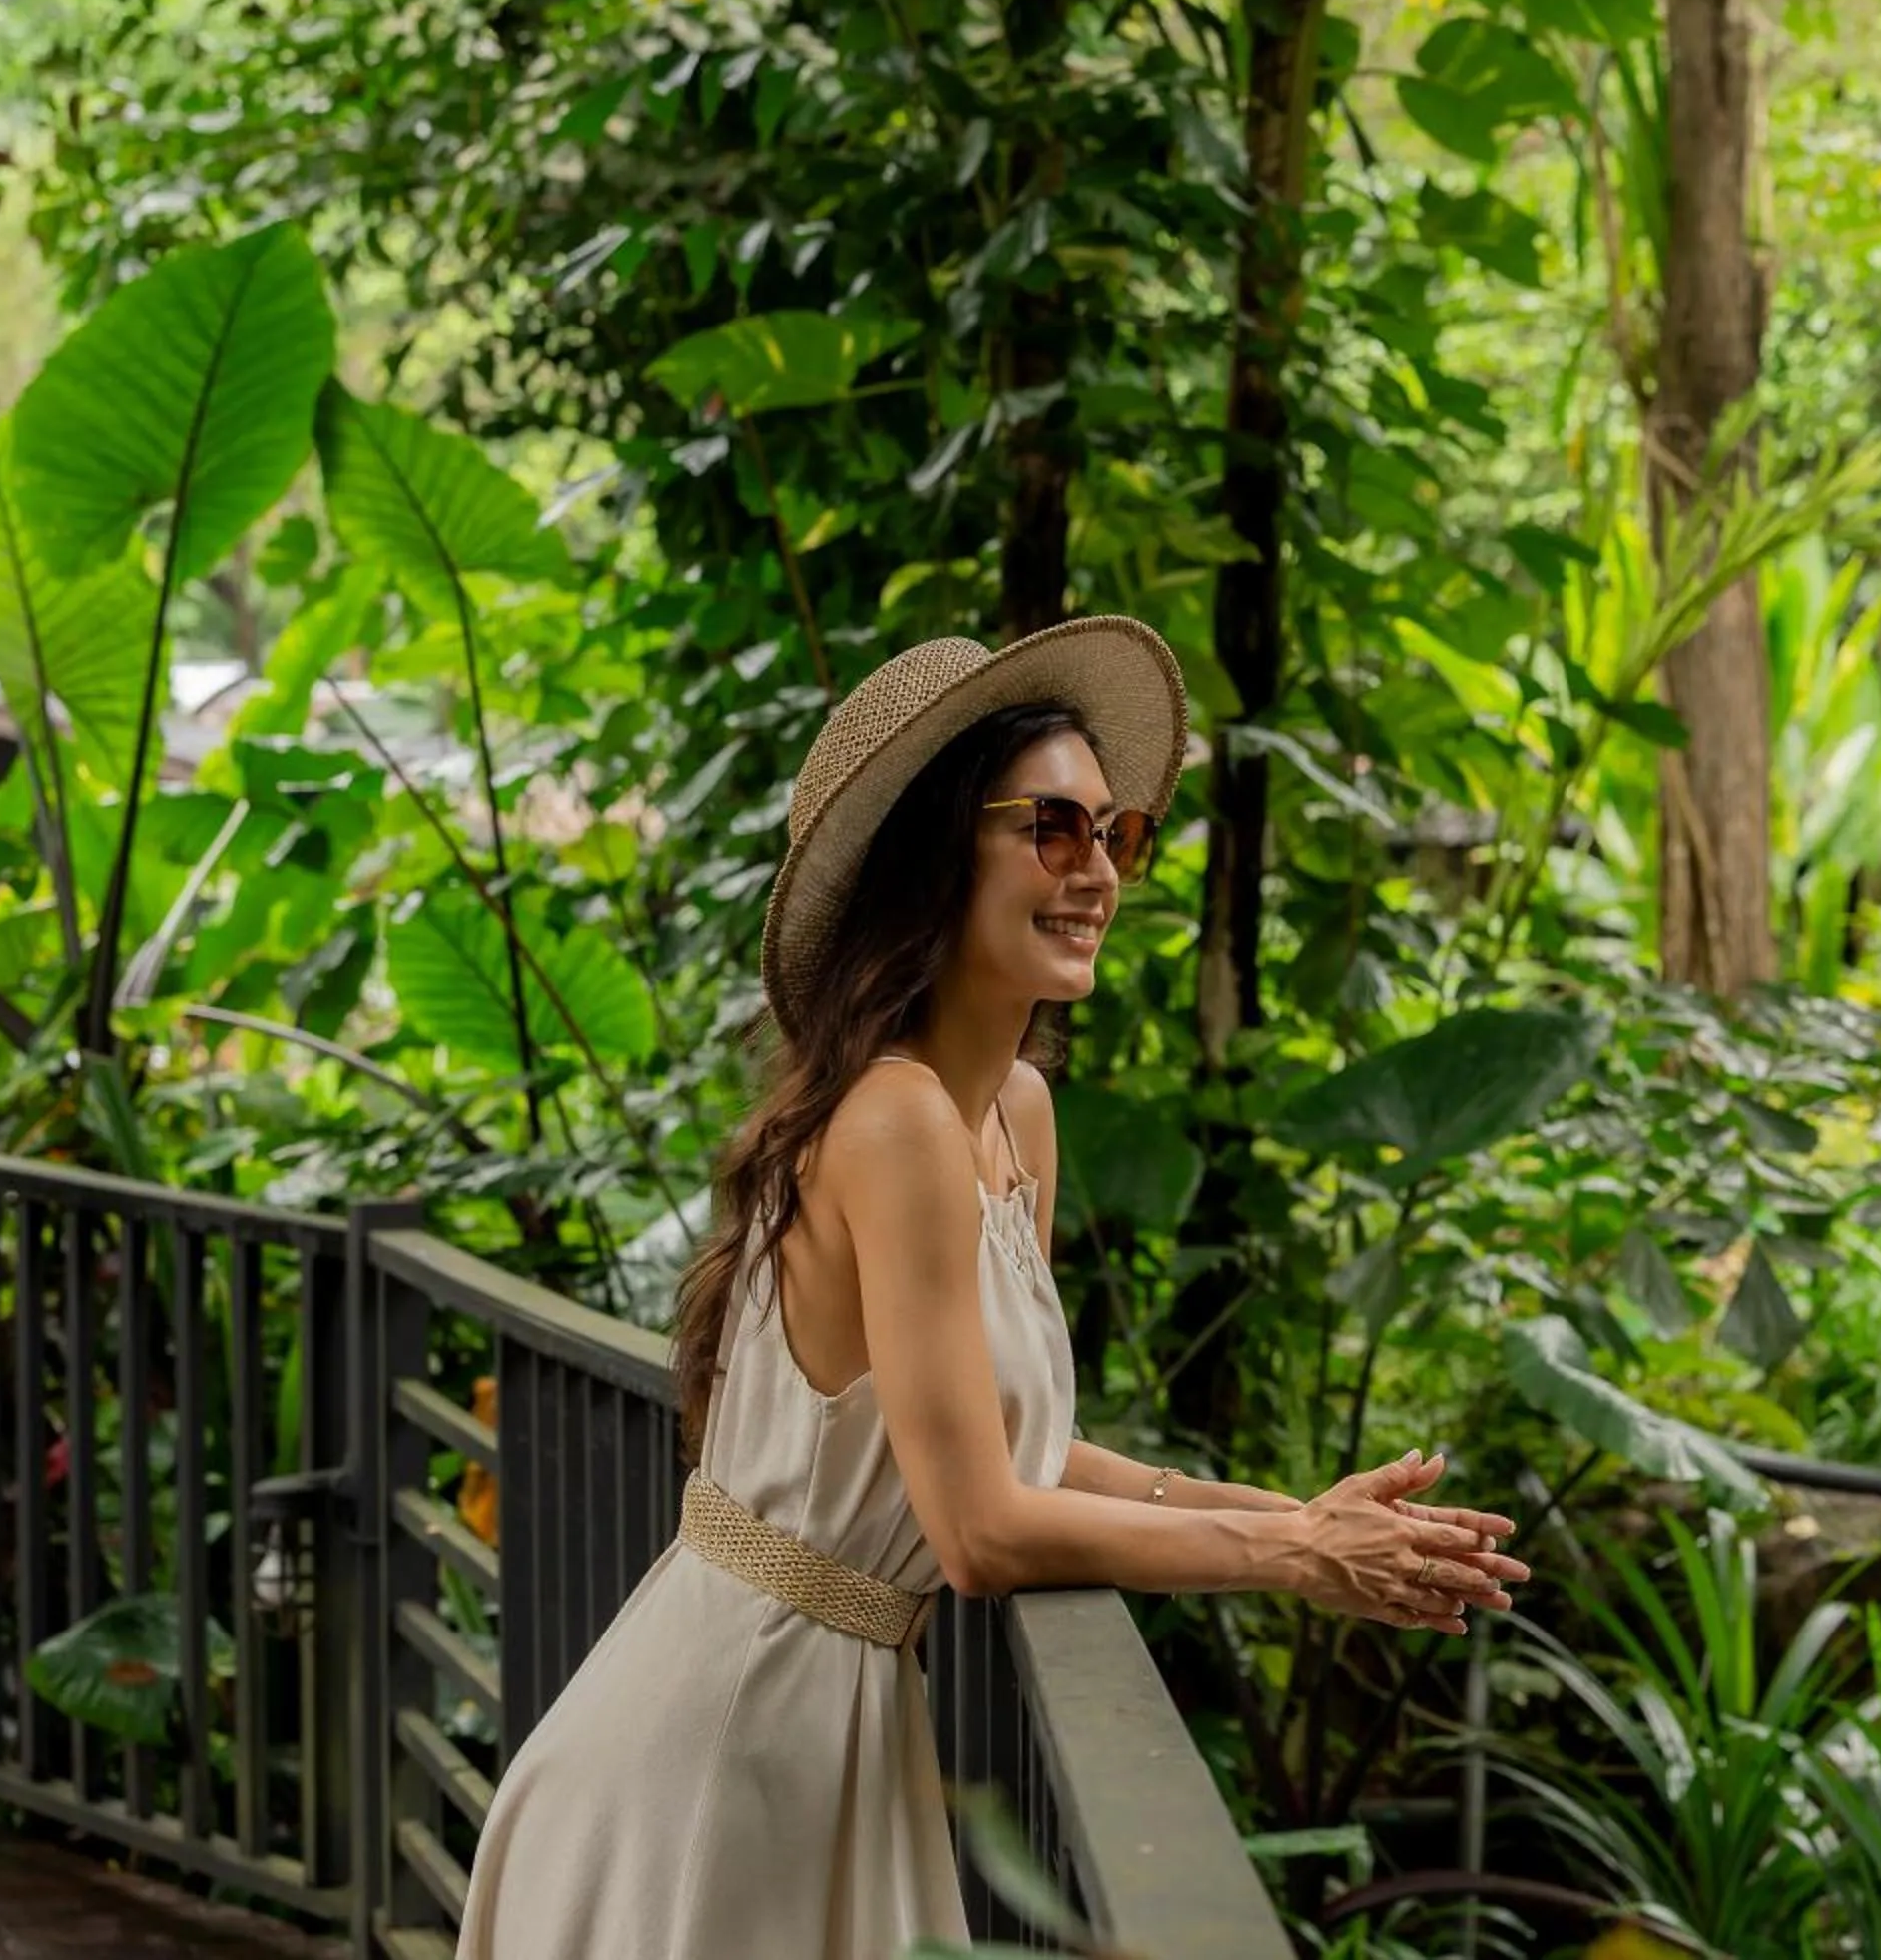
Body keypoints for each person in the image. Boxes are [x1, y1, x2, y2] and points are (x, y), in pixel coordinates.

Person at [455, 617, 1527, 1958]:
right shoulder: (892, 1118)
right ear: (936, 854)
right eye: (1054, 828)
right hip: (720, 1743)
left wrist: (1301, 1515)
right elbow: (980, 1529)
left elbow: (1022, 1448)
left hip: (838, 1730)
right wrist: (1293, 1554)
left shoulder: (1015, 1111)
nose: (1098, 871)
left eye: (1116, 833)